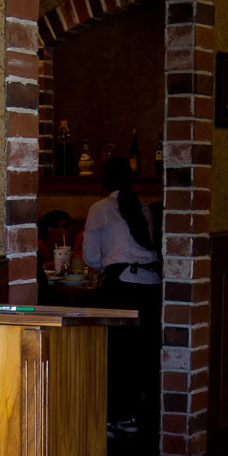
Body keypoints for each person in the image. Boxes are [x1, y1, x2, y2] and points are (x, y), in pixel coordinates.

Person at [82, 157, 160, 436]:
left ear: (104, 181)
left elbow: (90, 255)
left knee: (116, 353)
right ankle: (136, 415)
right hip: (151, 284)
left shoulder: (100, 209)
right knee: (143, 351)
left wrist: (103, 266)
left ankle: (115, 417)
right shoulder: (143, 208)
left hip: (122, 284)